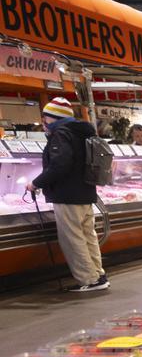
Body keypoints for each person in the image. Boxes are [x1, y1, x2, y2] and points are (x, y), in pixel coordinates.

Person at [25, 98, 109, 292]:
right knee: (88, 236)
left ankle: (88, 279)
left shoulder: (61, 134)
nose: (43, 121)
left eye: (45, 117)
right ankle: (98, 275)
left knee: (73, 239)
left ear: (53, 117)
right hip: (85, 193)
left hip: (67, 195)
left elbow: (60, 165)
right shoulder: (81, 132)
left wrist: (36, 183)